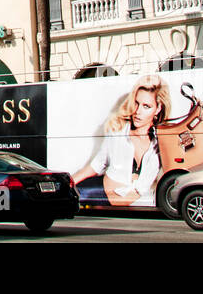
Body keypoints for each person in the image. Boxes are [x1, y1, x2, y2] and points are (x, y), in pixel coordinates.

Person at [72, 75, 171, 207]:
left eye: (146, 106)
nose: (137, 111)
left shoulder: (160, 143)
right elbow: (97, 165)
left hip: (132, 203)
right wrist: (70, 182)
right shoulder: (118, 130)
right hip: (98, 194)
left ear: (158, 109)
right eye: (136, 103)